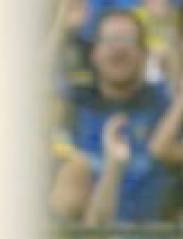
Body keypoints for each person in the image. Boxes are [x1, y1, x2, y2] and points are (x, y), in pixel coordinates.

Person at [59, 8, 175, 223]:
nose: (118, 49)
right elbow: (23, 96)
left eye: (128, 40)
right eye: (109, 40)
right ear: (94, 53)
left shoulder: (163, 103)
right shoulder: (75, 102)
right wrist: (61, 28)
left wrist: (168, 32)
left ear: (144, 54)